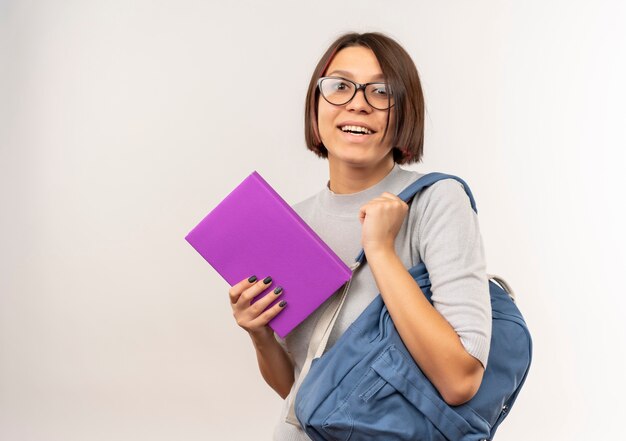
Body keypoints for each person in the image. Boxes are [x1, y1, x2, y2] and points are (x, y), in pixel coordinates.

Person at [227, 32, 492, 440]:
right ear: (316, 108)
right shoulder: (289, 224)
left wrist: (381, 250)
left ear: (405, 111)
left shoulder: (435, 201)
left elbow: (461, 380)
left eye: (381, 91)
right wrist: (259, 334)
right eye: (339, 86)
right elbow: (304, 393)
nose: (358, 103)